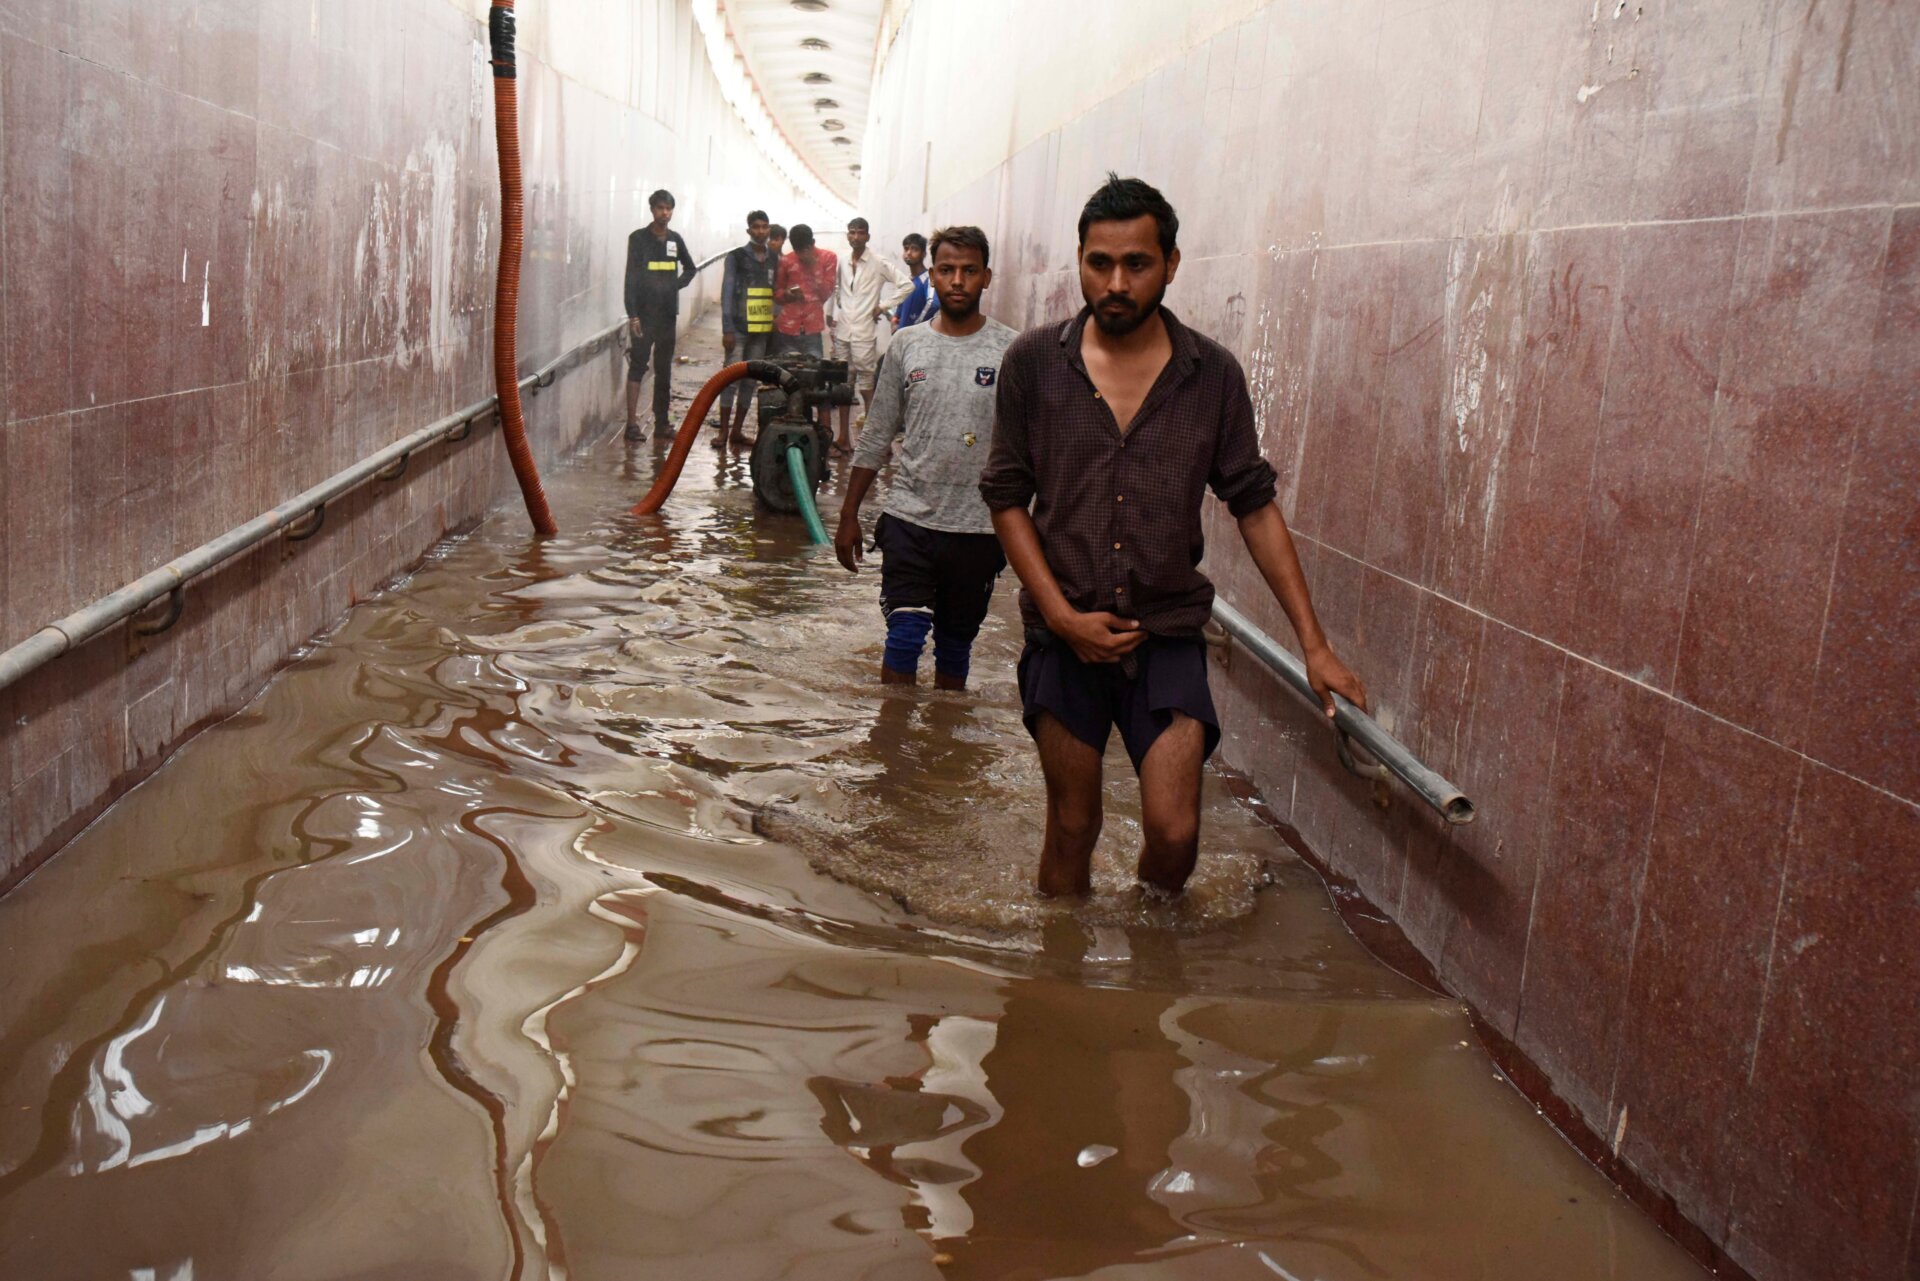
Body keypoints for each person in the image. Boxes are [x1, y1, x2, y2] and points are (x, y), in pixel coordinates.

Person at [979, 174, 1367, 899]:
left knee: (1176, 832)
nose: (1116, 283)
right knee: (1072, 825)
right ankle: (1058, 984)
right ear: (1080, 260)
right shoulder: (1033, 364)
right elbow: (1006, 497)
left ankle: (1150, 959)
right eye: (1100, 263)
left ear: (1172, 264)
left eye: (1137, 264)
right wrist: (1061, 615)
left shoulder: (1211, 375)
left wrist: (1315, 645)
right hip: (1063, 635)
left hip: (1168, 632)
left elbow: (1253, 504)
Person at [836, 226, 1015, 691]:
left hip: (978, 529)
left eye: (969, 271)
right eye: (947, 270)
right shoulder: (906, 344)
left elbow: (1030, 447)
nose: (958, 280)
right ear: (931, 276)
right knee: (904, 636)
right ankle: (893, 750)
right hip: (910, 520)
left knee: (956, 647)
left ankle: (942, 748)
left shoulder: (1011, 351)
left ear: (986, 277)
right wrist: (849, 514)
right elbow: (876, 434)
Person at [828, 216, 911, 453]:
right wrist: (834, 315)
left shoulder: (878, 262)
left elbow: (906, 285)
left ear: (868, 236)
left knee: (866, 384)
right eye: (851, 232)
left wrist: (882, 306)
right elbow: (837, 290)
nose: (855, 237)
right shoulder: (843, 261)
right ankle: (844, 437)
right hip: (844, 329)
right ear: (847, 235)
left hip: (864, 331)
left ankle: (876, 442)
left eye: (860, 233)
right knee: (844, 384)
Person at [623, 189, 697, 441]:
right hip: (644, 316)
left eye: (668, 209)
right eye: (660, 208)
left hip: (666, 316)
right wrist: (632, 315)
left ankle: (662, 423)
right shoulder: (639, 239)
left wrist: (674, 286)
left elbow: (690, 268)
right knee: (638, 366)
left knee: (664, 369)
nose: (664, 213)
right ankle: (631, 425)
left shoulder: (675, 240)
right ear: (652, 209)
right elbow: (630, 280)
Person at [717, 210, 778, 447]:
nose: (760, 231)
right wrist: (727, 328)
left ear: (769, 229)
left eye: (764, 227)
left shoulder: (774, 258)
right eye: (756, 227)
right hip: (739, 330)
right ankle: (723, 431)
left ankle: (737, 431)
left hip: (760, 332)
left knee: (750, 381)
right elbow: (727, 292)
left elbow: (777, 292)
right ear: (748, 230)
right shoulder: (736, 257)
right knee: (729, 379)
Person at [773, 223, 836, 360]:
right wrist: (787, 295)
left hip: (812, 329)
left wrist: (813, 267)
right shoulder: (786, 260)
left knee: (812, 374)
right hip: (787, 329)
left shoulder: (828, 258)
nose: (800, 254)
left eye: (804, 249)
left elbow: (826, 293)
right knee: (786, 374)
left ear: (812, 243)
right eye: (797, 250)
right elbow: (777, 295)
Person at [893, 232, 939, 330]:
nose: (908, 253)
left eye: (914, 249)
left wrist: (917, 325)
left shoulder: (930, 276)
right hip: (903, 336)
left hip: (919, 338)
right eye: (906, 248)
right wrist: (895, 318)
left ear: (923, 254)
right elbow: (900, 305)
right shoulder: (907, 280)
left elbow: (933, 304)